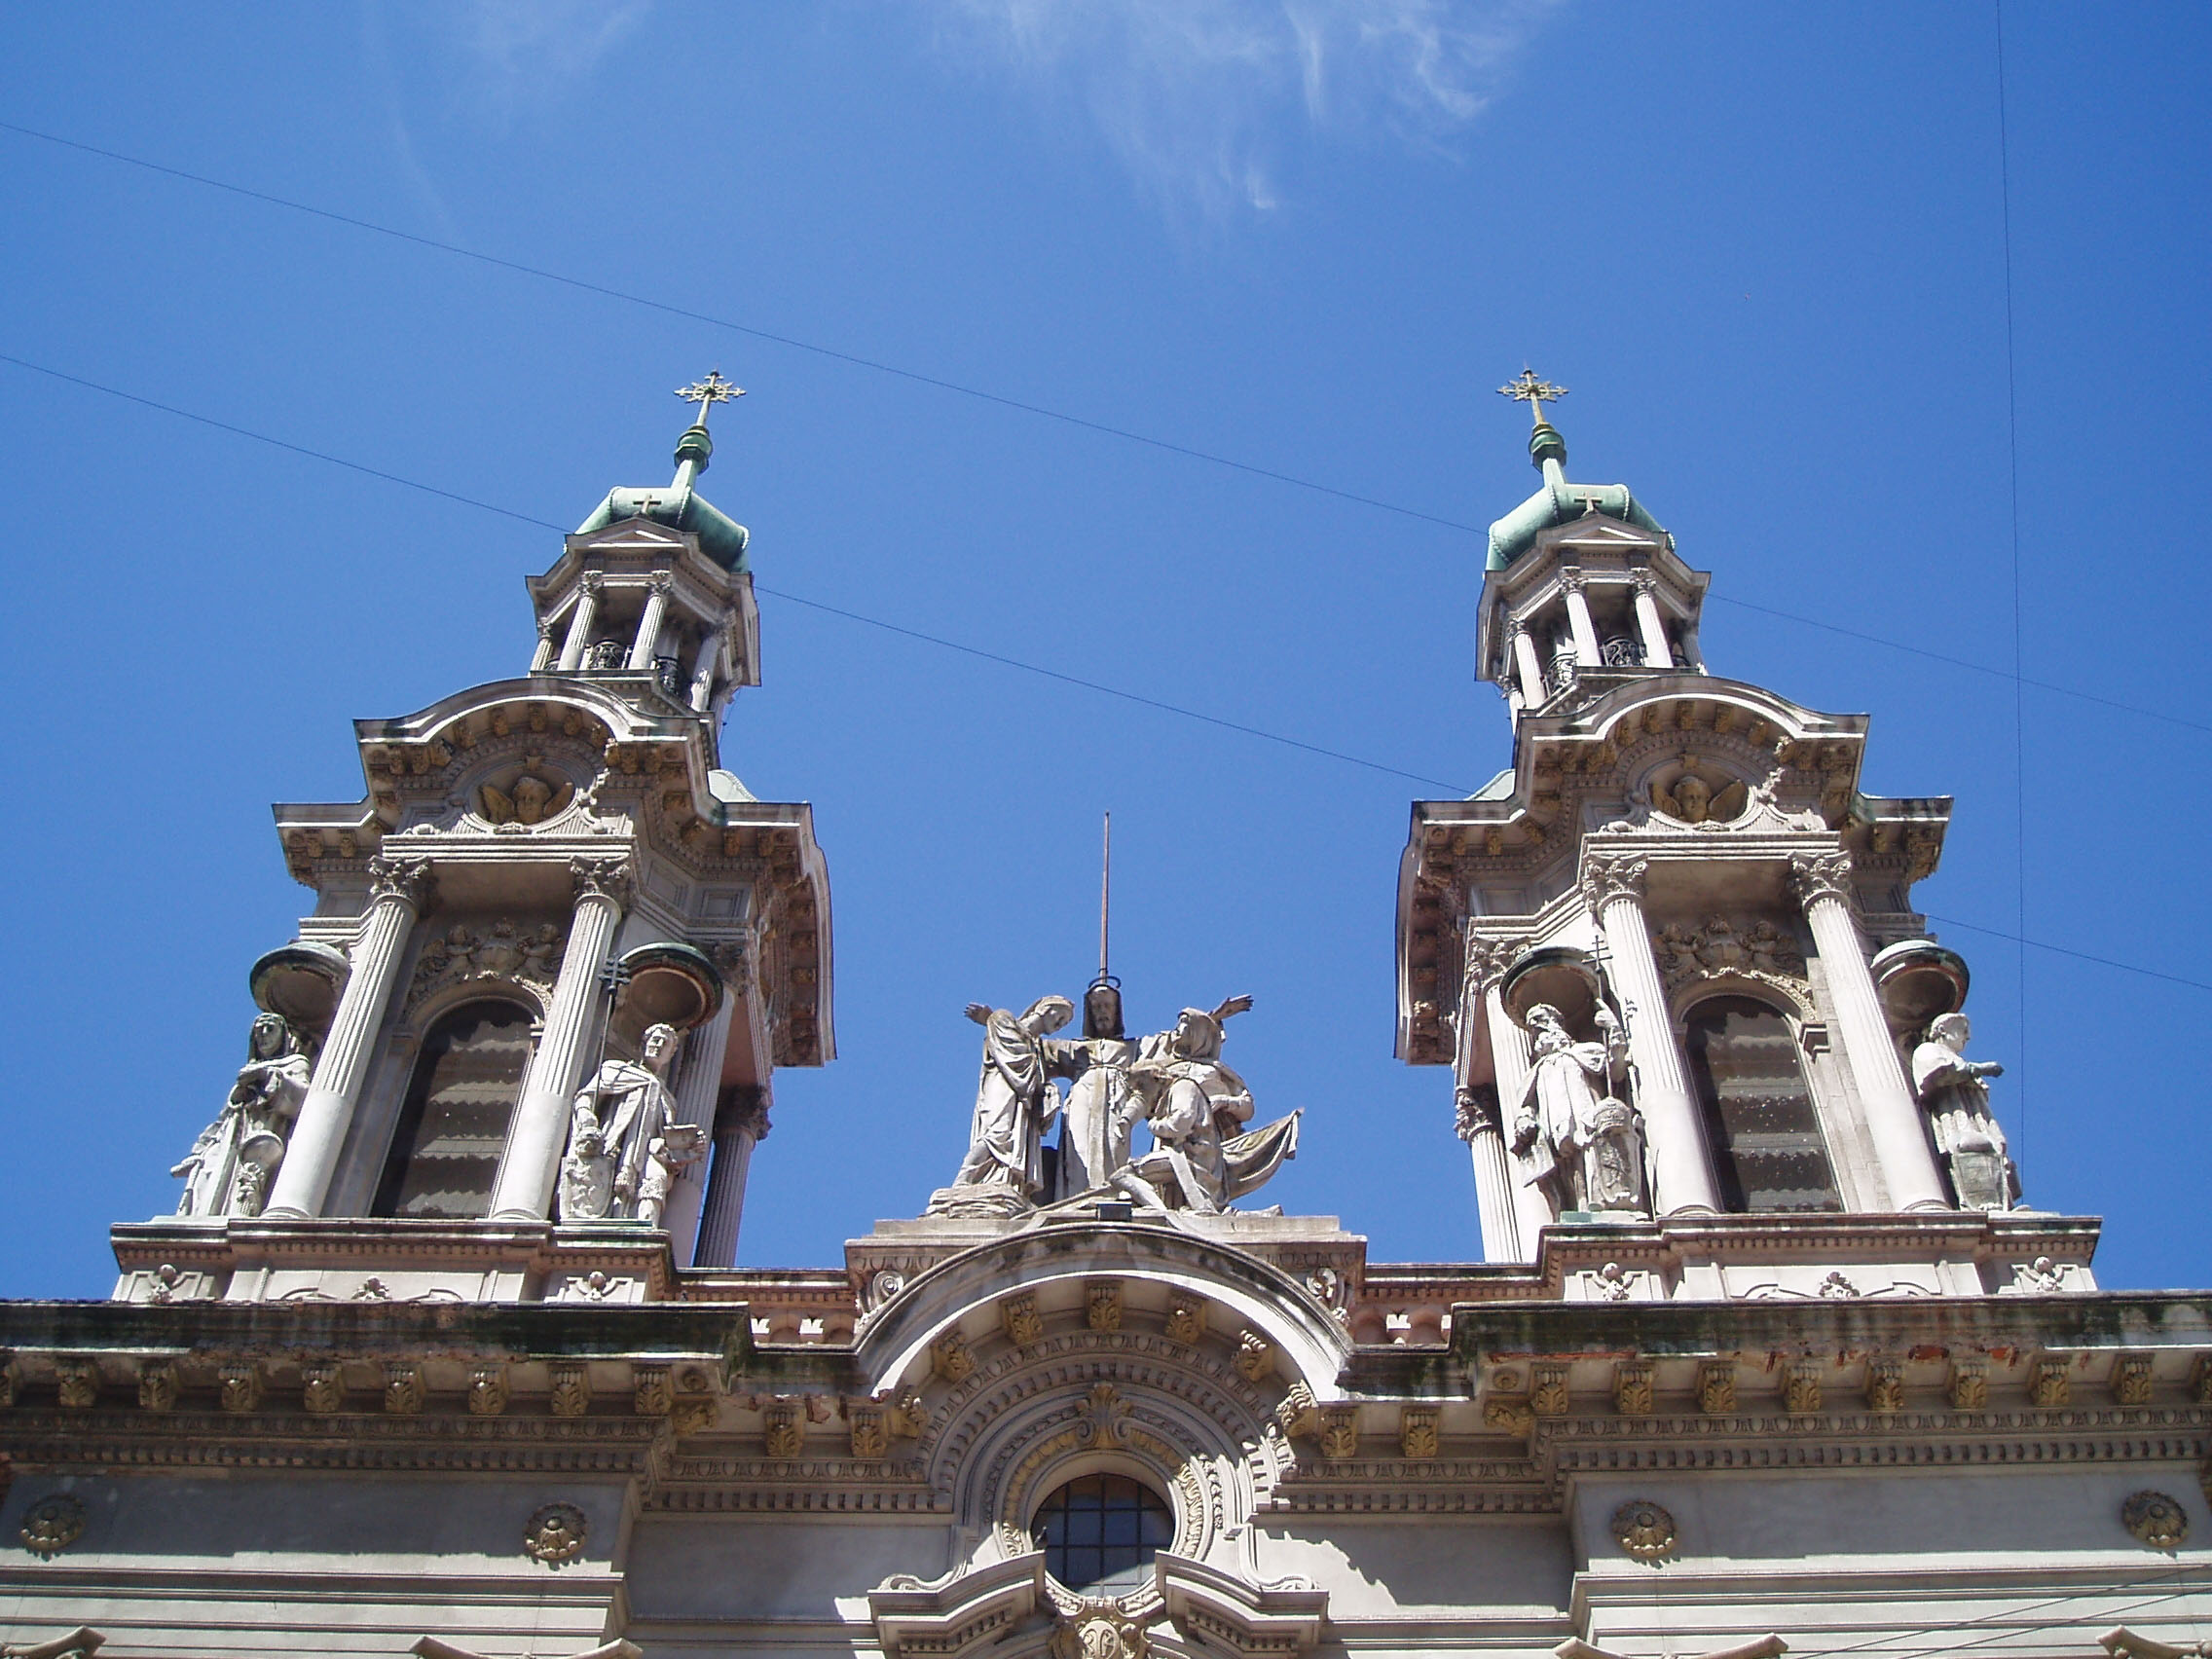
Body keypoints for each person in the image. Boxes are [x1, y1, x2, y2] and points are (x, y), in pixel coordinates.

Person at [1115, 1000, 1256, 1214]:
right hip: (1172, 1137)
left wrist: (1226, 1102)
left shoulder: (1214, 1070)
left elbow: (1247, 1108)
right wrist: (1127, 1119)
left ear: (1196, 1033)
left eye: (1184, 1025)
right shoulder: (1166, 1067)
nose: (1176, 1029)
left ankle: (1182, 1211)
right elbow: (1143, 1097)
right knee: (1165, 1183)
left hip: (1207, 1135)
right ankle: (1168, 1211)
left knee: (1199, 1182)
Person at [560, 1021, 704, 1226]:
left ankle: (645, 1233)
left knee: (656, 1181)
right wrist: (587, 1119)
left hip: (650, 1154)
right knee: (610, 1192)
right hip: (615, 1145)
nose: (658, 1045)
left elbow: (666, 1139)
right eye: (655, 1040)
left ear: (670, 1054)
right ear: (644, 1043)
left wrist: (688, 1149)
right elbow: (586, 1097)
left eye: (665, 1044)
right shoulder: (616, 1071)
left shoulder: (667, 1099)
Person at [1511, 1002, 1646, 1218]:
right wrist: (1524, 1120)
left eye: (1541, 1019)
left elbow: (1616, 1072)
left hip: (1588, 1118)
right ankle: (1579, 1206)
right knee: (1568, 1170)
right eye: (1532, 1024)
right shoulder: (1536, 1071)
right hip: (1554, 1126)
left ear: (1557, 1024)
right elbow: (1527, 1105)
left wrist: (1614, 1034)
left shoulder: (1586, 1051)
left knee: (1593, 1156)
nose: (1536, 1027)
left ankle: (1600, 1202)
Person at [174, 1013, 313, 1218]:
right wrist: (199, 1153)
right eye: (259, 1030)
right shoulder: (247, 1070)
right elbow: (222, 1119)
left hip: (266, 1134)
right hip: (232, 1137)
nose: (264, 1035)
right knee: (208, 1179)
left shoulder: (295, 1063)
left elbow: (302, 1098)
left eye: (270, 1029)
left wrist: (266, 1076)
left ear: (282, 1035)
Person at [949, 996, 1075, 1202]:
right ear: (1044, 1009)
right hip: (1003, 1084)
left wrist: (1048, 1091)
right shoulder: (1003, 1018)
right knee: (997, 1134)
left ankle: (1006, 1184)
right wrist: (990, 1019)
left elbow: (1033, 1073)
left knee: (1012, 1139)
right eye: (1060, 1016)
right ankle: (965, 1179)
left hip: (1021, 1096)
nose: (1060, 1024)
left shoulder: (1035, 1046)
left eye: (1065, 1023)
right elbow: (1014, 1057)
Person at [1048, 977, 1143, 1199]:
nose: (1102, 1012)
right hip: (1083, 1097)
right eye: (1097, 1006)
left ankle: (1111, 1196)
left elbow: (1175, 1046)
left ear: (1117, 1011)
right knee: (1077, 1151)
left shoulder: (1133, 1048)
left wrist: (1213, 1019)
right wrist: (997, 1023)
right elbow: (1032, 1047)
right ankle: (1076, 1198)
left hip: (1116, 1099)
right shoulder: (1074, 1048)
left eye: (1107, 1005)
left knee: (1113, 1147)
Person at [1911, 1013, 2014, 1210]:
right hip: (1955, 1115)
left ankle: (2000, 1204)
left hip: (1972, 1114)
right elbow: (1939, 1074)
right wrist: (1980, 1069)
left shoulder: (1954, 1057)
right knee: (1969, 1146)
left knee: (1992, 1147)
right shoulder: (1927, 1050)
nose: (1967, 1037)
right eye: (1963, 1030)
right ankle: (1981, 1205)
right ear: (1943, 1030)